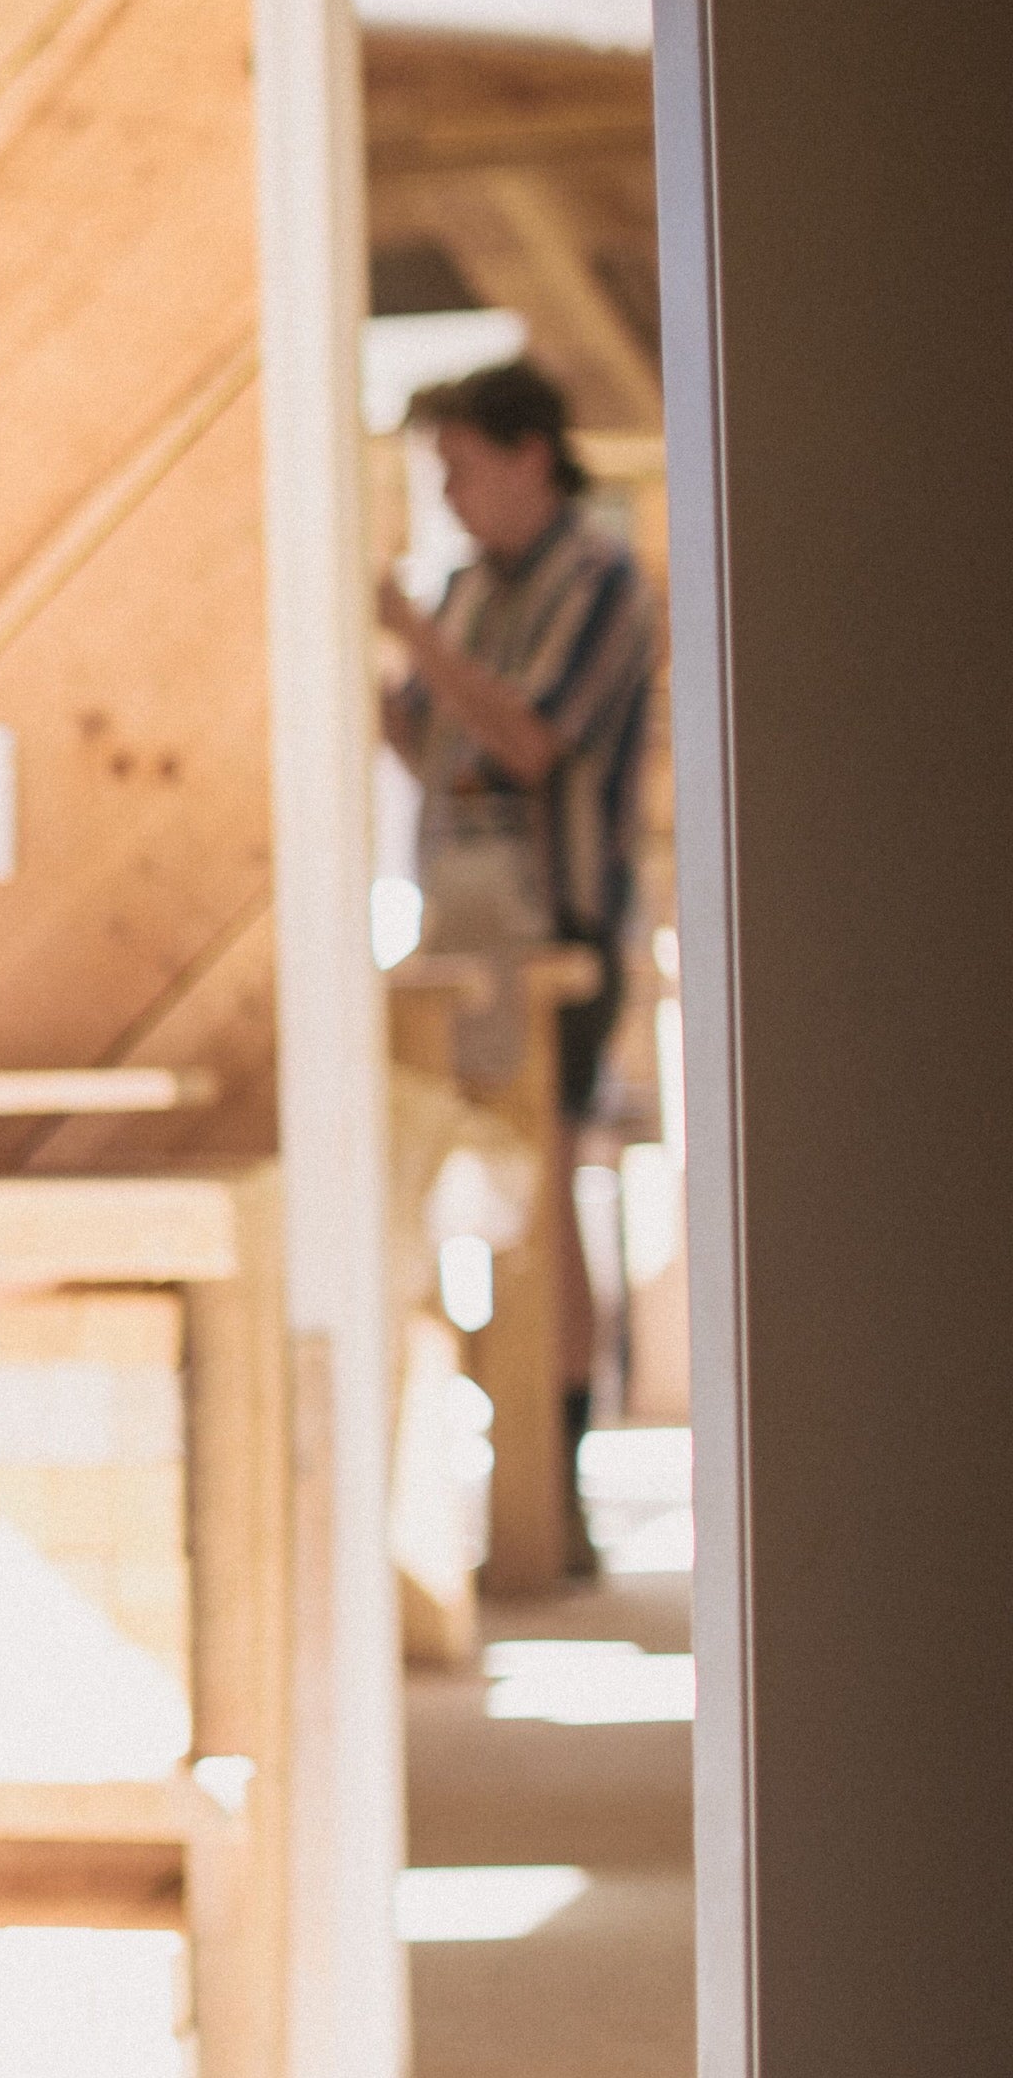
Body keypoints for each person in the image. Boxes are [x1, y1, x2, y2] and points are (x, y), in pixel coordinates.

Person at [374, 356, 658, 1573]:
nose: (450, 498)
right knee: (481, 1191)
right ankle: (505, 1480)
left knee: (545, 1190)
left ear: (530, 454)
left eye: (462, 469)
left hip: (558, 927)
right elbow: (431, 738)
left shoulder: (598, 574)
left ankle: (561, 1487)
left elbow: (529, 738)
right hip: (462, 924)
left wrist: (415, 638)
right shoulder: (468, 590)